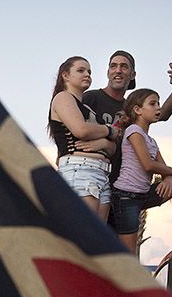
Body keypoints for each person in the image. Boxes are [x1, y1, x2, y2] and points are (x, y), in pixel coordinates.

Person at [82, 50, 172, 243]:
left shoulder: (132, 108)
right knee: (91, 246)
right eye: (113, 66)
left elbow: (161, 113)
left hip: (127, 189)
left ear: (133, 75)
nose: (118, 70)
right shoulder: (91, 98)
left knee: (122, 255)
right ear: (107, 72)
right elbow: (76, 130)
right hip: (95, 185)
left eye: (124, 66)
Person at [112, 88, 172, 253]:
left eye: (158, 103)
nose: (158, 107)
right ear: (137, 110)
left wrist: (169, 178)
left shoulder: (152, 141)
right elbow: (148, 165)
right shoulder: (133, 131)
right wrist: (171, 171)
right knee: (129, 255)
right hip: (126, 197)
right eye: (152, 104)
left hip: (143, 195)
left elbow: (163, 168)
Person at [48, 56, 120, 221]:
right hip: (80, 171)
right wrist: (109, 130)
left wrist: (103, 142)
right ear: (65, 75)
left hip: (100, 174)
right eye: (81, 70)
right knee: (84, 237)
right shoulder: (63, 98)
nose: (87, 74)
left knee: (97, 242)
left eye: (89, 71)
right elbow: (81, 130)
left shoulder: (87, 108)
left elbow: (112, 147)